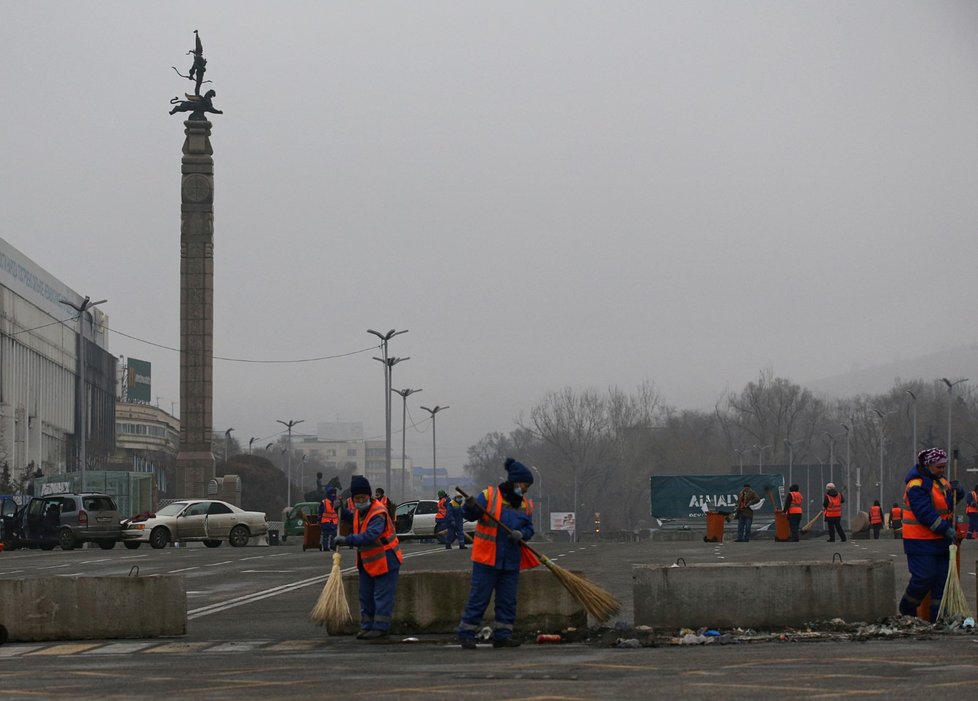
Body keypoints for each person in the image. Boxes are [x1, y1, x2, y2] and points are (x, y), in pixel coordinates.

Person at [457, 457, 537, 649]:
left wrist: (522, 534)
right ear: (515, 481)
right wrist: (469, 505)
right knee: (479, 597)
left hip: (510, 560)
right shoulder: (489, 495)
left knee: (507, 600)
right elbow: (471, 515)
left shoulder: (525, 505)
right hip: (487, 558)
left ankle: (503, 635)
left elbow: (529, 528)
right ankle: (466, 633)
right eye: (524, 485)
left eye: (527, 486)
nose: (525, 489)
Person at [898, 448, 964, 621]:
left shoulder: (941, 482)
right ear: (928, 465)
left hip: (941, 541)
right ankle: (907, 609)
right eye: (939, 467)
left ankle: (937, 618)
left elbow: (948, 505)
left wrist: (958, 492)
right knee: (924, 577)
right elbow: (925, 513)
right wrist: (945, 528)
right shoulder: (916, 485)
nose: (942, 471)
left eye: (944, 467)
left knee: (941, 582)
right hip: (920, 541)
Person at [334, 475, 403, 641]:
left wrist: (347, 540)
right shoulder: (360, 511)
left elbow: (370, 535)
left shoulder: (378, 512)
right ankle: (367, 626)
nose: (360, 500)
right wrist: (342, 511)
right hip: (369, 561)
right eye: (357, 498)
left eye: (363, 497)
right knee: (365, 595)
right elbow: (355, 518)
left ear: (369, 496)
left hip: (386, 559)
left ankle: (380, 628)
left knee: (381, 595)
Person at [318, 487, 338, 551]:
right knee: (326, 535)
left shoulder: (336, 502)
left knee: (334, 535)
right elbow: (320, 512)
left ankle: (332, 546)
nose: (333, 495)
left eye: (334, 494)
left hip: (334, 522)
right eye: (332, 494)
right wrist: (319, 520)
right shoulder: (324, 502)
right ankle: (326, 547)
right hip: (326, 522)